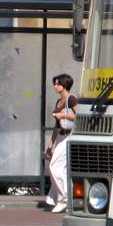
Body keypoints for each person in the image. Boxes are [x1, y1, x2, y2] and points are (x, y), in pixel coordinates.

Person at [45, 73, 78, 214]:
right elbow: (56, 126)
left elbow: (79, 117)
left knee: (54, 166)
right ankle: (64, 199)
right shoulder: (59, 102)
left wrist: (63, 115)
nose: (55, 86)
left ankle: (63, 198)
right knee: (60, 168)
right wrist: (51, 143)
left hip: (69, 136)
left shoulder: (71, 99)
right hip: (60, 136)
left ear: (64, 85)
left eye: (57, 84)